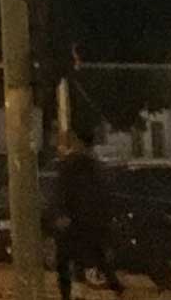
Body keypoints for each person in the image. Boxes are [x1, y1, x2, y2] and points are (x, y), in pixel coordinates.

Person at [53, 128, 115, 300]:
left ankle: (71, 293)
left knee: (67, 261)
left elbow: (62, 192)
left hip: (74, 222)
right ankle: (109, 286)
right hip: (90, 221)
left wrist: (61, 213)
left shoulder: (71, 164)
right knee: (91, 257)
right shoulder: (96, 166)